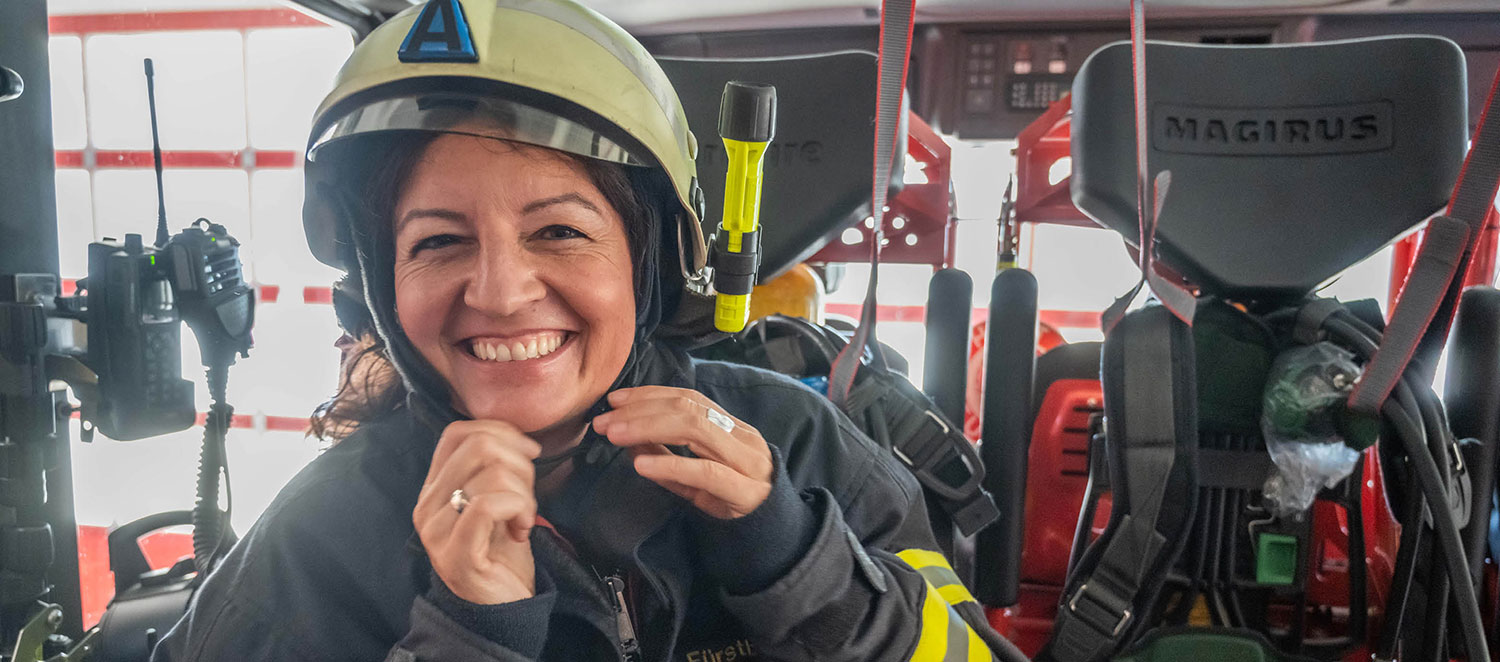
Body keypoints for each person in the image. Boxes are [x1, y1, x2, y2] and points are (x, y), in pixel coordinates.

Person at [153, 0, 1018, 660]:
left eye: (559, 230)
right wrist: (467, 636)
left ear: (648, 259)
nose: (497, 292)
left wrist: (794, 558)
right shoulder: (321, 538)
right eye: (439, 242)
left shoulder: (794, 443)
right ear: (381, 284)